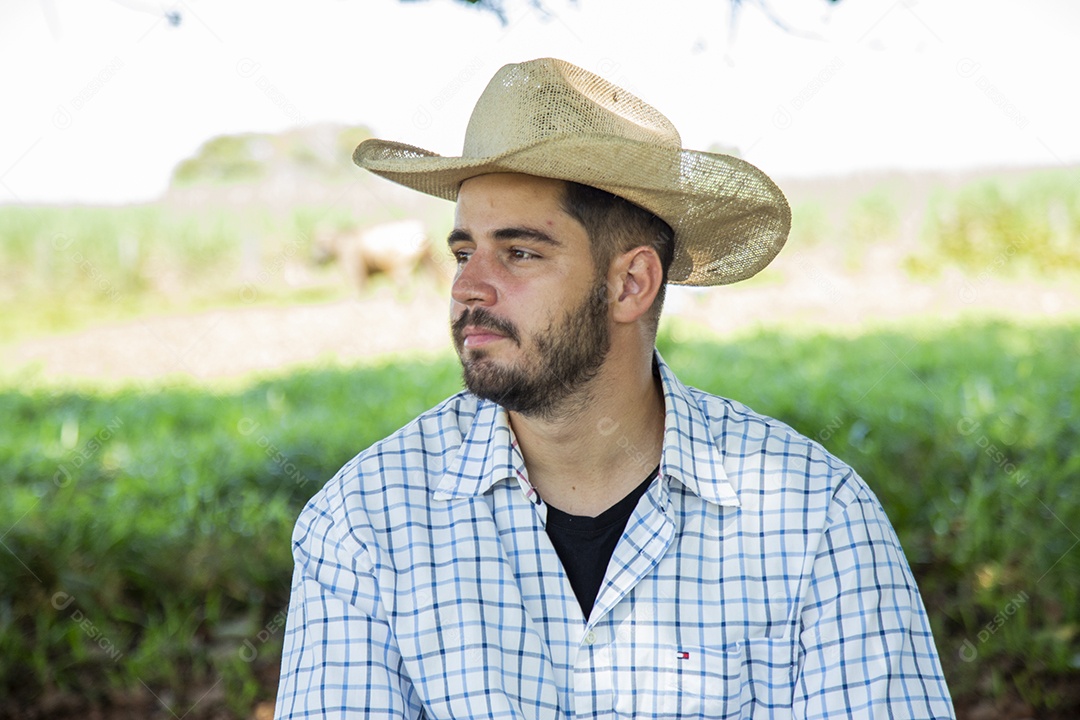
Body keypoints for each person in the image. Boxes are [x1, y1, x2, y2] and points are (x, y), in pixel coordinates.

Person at [274, 57, 954, 719]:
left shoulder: (813, 520)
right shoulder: (365, 523)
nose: (466, 288)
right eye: (463, 252)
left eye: (518, 252)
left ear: (631, 283)